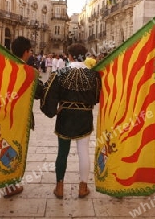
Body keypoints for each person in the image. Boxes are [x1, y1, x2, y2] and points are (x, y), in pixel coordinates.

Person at [40, 43, 101, 199]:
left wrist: (53, 110)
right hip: (85, 116)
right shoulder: (94, 76)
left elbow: (49, 95)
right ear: (85, 56)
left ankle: (59, 187)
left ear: (70, 56)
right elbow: (96, 97)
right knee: (83, 152)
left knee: (62, 152)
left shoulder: (60, 73)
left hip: (65, 115)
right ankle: (83, 187)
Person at [3, 36, 43, 199]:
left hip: (3, 115)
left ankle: (6, 182)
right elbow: (38, 94)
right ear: (26, 52)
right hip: (20, 117)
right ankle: (9, 184)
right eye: (30, 51)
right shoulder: (29, 72)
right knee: (14, 149)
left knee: (5, 147)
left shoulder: (4, 67)